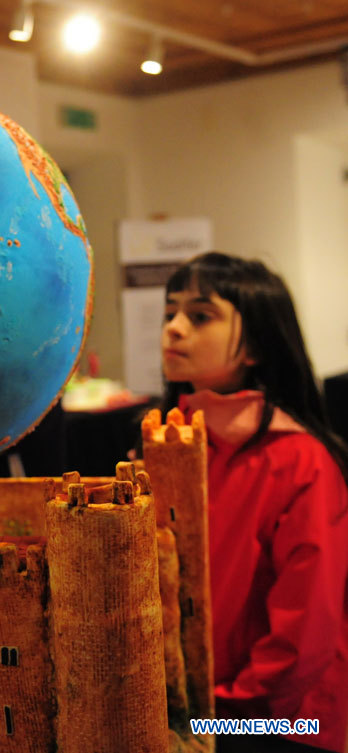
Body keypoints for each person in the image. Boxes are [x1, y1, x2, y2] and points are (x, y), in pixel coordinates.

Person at [160, 251, 348, 753]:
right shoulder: (164, 447)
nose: (174, 329)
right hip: (199, 714)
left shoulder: (300, 461)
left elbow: (304, 638)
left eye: (200, 316)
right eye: (170, 313)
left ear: (257, 347)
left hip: (282, 725)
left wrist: (218, 719)